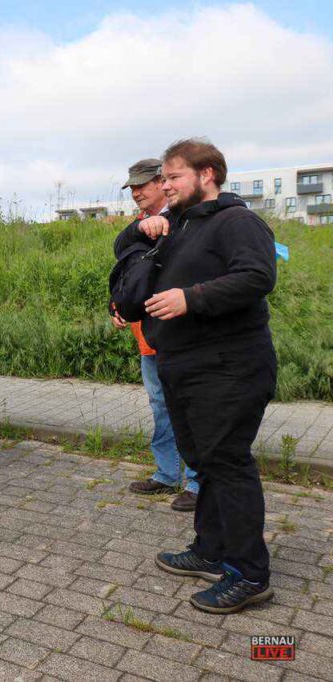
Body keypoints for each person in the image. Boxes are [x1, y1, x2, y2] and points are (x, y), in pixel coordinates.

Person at [118, 138, 278, 614]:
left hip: (229, 367)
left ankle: (250, 574)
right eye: (161, 180)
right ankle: (210, 548)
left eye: (172, 177)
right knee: (203, 462)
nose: (163, 187)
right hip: (182, 365)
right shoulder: (179, 224)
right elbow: (126, 248)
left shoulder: (237, 221)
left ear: (206, 174)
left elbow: (257, 276)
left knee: (228, 464)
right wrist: (140, 230)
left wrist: (192, 298)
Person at [112, 158, 199, 512]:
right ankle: (166, 475)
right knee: (160, 405)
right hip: (148, 338)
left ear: (162, 182)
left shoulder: (185, 220)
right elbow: (128, 273)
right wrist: (116, 304)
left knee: (189, 408)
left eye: (141, 185)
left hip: (180, 337)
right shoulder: (139, 226)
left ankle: (196, 482)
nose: (135, 193)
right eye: (131, 187)